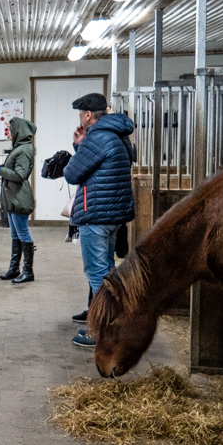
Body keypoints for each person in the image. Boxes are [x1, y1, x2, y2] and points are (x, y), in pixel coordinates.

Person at [63, 93, 136, 348]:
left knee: (96, 273)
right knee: (107, 270)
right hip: (114, 214)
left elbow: (72, 173)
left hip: (96, 215)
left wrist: (80, 147)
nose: (80, 119)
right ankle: (114, 322)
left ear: (87, 115)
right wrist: (82, 146)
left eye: (80, 114)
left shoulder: (98, 136)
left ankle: (101, 331)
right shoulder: (118, 134)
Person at [0, 116, 37, 284]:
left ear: (18, 131)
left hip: (19, 198)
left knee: (23, 234)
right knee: (15, 234)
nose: (9, 133)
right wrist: (3, 170)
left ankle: (28, 271)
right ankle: (14, 269)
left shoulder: (24, 150)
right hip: (13, 198)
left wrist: (1, 170)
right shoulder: (18, 148)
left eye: (11, 130)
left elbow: (20, 175)